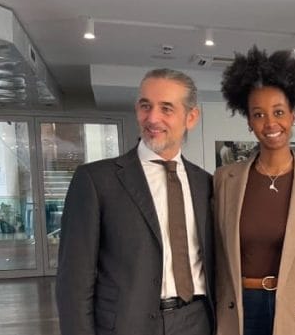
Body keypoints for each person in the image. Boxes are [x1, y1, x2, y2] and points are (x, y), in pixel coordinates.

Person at [57, 68, 214, 335]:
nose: (153, 118)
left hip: (197, 322)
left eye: (166, 108)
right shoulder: (96, 180)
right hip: (127, 324)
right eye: (145, 106)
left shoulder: (206, 183)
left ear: (191, 117)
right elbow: (74, 281)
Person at [213, 46, 295, 335]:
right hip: (239, 311)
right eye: (258, 114)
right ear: (249, 121)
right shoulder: (225, 180)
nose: (270, 123)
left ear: (293, 115)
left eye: (278, 112)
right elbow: (215, 260)